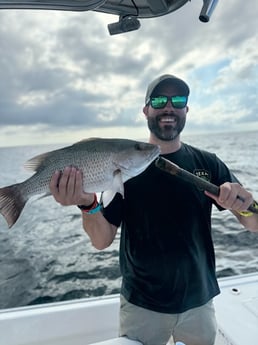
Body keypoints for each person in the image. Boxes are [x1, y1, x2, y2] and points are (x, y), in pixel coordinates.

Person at [49, 74, 258, 345]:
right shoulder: (123, 170)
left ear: (186, 109)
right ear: (146, 109)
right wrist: (86, 203)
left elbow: (254, 223)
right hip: (142, 305)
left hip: (199, 302)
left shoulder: (209, 163)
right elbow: (102, 240)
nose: (168, 107)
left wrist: (245, 207)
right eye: (159, 100)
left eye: (178, 100)